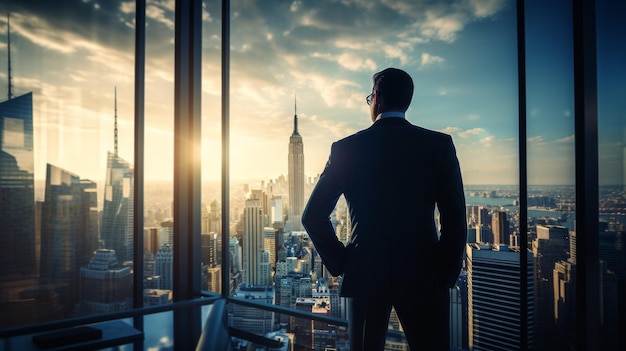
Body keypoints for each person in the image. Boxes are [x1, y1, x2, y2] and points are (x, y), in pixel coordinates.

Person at [301, 67, 467, 351]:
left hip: (365, 275)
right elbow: (455, 219)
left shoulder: (346, 149)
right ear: (407, 101)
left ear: (375, 97)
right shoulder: (438, 145)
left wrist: (343, 263)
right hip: (425, 275)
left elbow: (312, 215)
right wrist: (445, 275)